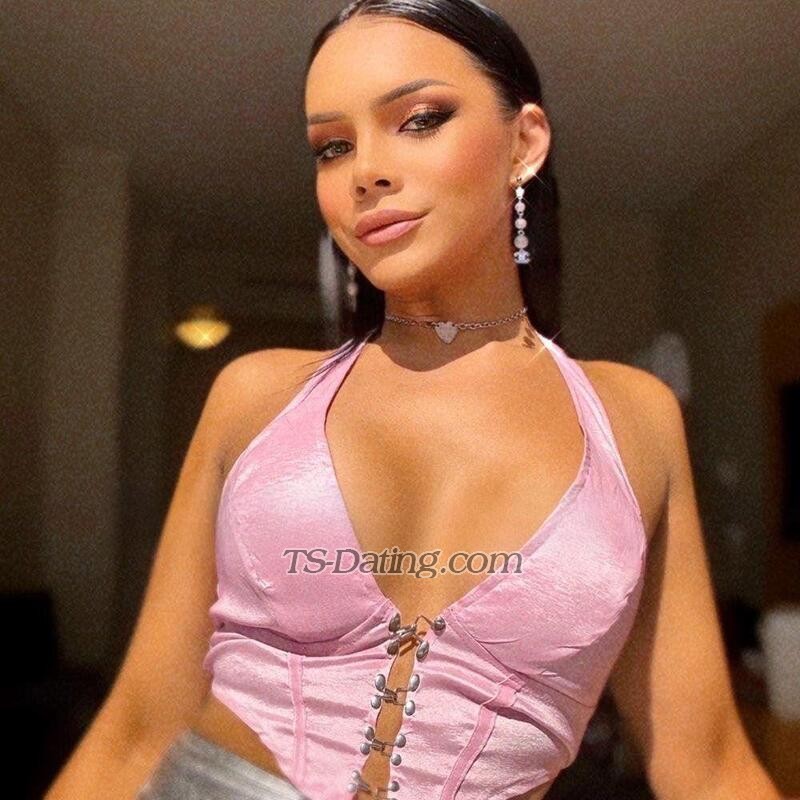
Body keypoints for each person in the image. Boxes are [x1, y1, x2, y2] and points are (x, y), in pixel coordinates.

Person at [45, 1, 783, 799]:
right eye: (333, 146)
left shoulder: (635, 418)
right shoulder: (255, 396)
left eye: (421, 119)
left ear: (524, 142)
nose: (365, 170)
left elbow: (708, 764)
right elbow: (136, 730)